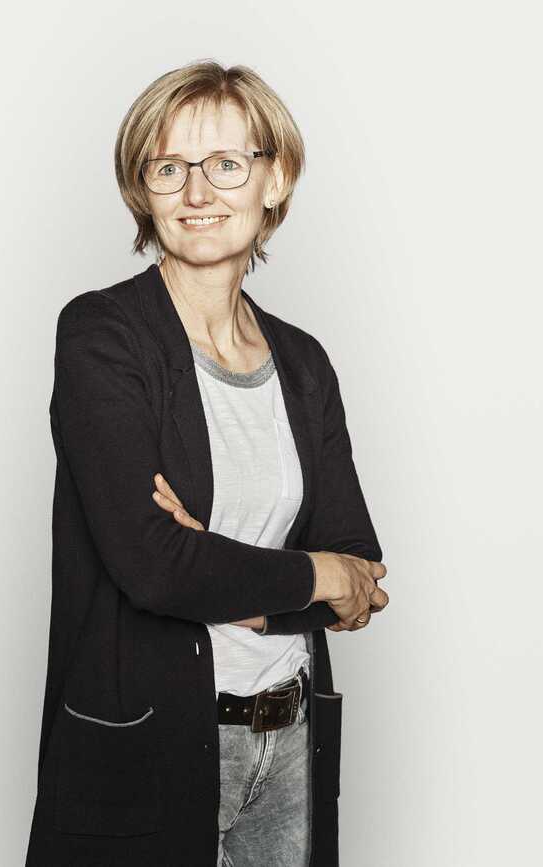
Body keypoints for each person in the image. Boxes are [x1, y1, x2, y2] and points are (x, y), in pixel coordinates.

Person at [25, 60, 388, 867]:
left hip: (290, 741)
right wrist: (312, 575)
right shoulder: (102, 337)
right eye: (169, 168)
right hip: (152, 750)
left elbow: (359, 567)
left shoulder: (303, 362)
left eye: (225, 163)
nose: (197, 192)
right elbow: (153, 567)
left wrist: (254, 589)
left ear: (274, 178)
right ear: (142, 188)